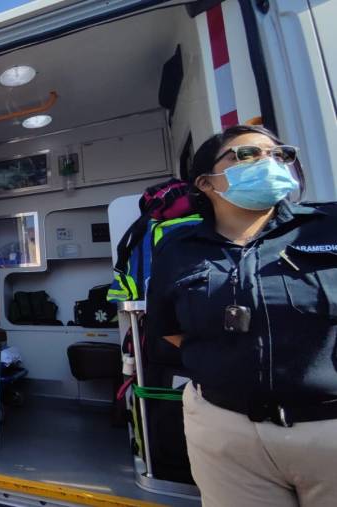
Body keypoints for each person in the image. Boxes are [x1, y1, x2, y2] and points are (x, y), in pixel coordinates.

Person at [146, 124, 337, 507]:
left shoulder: (326, 225)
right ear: (205, 182)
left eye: (280, 155)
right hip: (224, 427)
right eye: (247, 154)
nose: (269, 162)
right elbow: (167, 329)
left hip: (327, 428)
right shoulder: (177, 249)